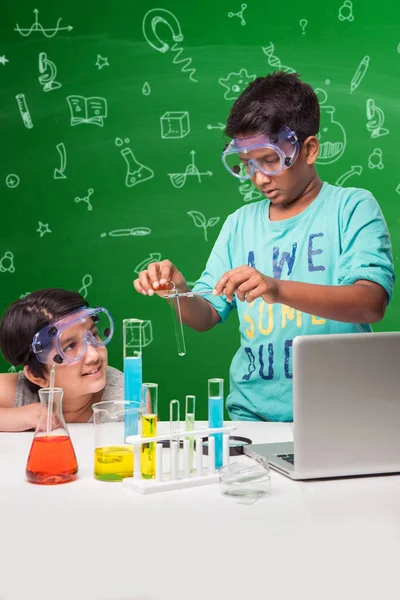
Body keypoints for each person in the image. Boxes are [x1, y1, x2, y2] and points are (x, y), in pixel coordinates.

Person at [133, 71, 395, 422]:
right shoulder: (239, 224)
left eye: (270, 161)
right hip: (251, 418)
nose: (258, 178)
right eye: (247, 165)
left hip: (342, 415)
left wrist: (276, 288)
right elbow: (206, 315)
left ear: (310, 149)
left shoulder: (352, 208)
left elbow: (370, 303)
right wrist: (178, 292)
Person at [0, 289, 123, 431]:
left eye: (94, 334)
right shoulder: (18, 392)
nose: (93, 355)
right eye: (69, 346)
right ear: (37, 376)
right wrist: (18, 417)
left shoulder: (127, 398)